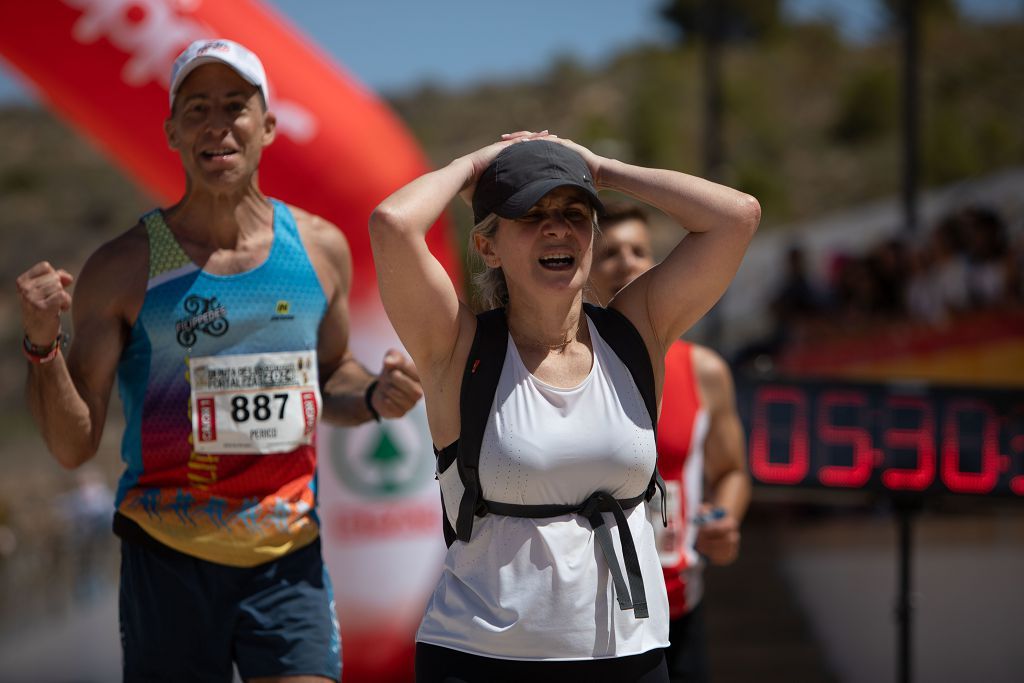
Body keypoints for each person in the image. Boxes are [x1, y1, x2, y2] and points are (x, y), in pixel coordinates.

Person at [15, 39, 422, 683]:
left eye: (235, 105)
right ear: (172, 132)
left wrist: (375, 395)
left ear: (267, 126)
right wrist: (42, 345)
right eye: (197, 107)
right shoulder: (123, 267)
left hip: (288, 553)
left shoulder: (320, 249)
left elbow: (332, 374)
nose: (217, 124)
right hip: (169, 557)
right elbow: (73, 447)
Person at [369, 132, 760, 682]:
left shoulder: (636, 333)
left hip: (630, 654)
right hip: (481, 660)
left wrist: (601, 168)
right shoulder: (458, 350)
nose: (556, 227)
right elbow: (392, 225)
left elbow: (736, 216)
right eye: (530, 214)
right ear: (488, 246)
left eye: (574, 213)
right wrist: (474, 166)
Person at [589, 202, 751, 683]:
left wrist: (724, 519)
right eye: (610, 253)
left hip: (677, 609)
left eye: (640, 250)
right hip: (588, 616)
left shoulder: (706, 371)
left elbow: (732, 472)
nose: (628, 263)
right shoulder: (560, 369)